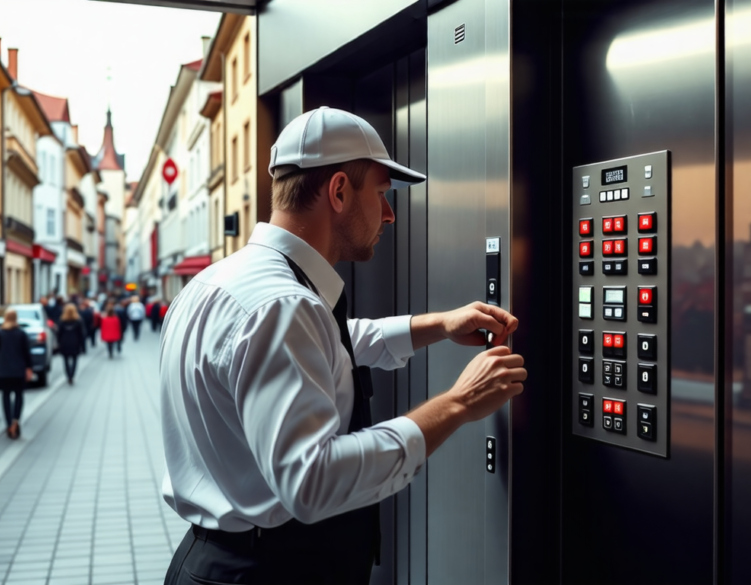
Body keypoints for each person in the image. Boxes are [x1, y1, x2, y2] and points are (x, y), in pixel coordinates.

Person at [160, 107, 524, 585]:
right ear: (337, 191)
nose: (390, 214)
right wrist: (459, 404)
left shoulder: (221, 282)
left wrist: (438, 324)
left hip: (215, 560)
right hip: (270, 572)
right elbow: (311, 481)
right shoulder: (284, 306)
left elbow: (323, 347)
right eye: (381, 194)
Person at [0, 309, 33, 439]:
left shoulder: (0, 333)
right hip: (19, 370)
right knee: (19, 395)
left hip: (4, 371)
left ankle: (8, 424)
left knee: (6, 397)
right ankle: (16, 420)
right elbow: (27, 353)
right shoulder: (21, 333)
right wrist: (29, 368)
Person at [56, 303, 86, 385]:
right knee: (75, 360)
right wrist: (83, 346)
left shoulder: (62, 321)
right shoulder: (78, 321)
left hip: (64, 343)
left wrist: (59, 343)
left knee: (65, 361)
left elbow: (59, 333)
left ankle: (68, 375)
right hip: (75, 343)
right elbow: (82, 334)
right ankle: (72, 375)